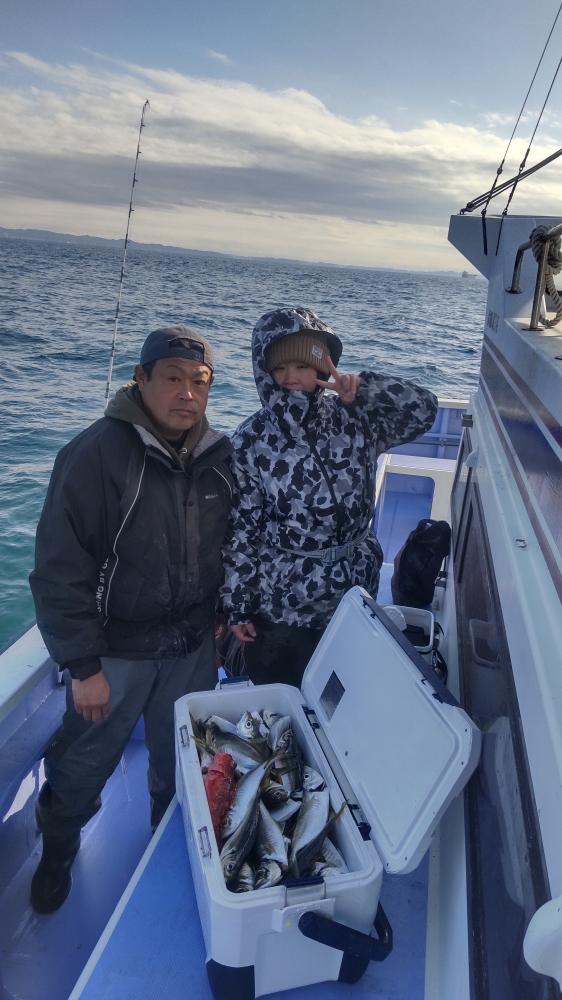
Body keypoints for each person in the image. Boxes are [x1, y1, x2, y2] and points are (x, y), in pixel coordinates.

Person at [28, 324, 233, 914]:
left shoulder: (221, 455)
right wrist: (82, 665)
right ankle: (58, 848)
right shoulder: (95, 454)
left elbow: (233, 547)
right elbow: (59, 569)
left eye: (200, 382)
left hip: (191, 645)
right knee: (83, 761)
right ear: (140, 379)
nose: (187, 394)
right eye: (172, 378)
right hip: (113, 650)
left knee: (184, 763)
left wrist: (225, 618)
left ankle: (167, 846)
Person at [220, 306, 438, 686]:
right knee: (284, 692)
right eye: (280, 367)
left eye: (302, 366)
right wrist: (237, 606)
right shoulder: (250, 439)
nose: (291, 377)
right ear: (265, 371)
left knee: (345, 687)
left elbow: (424, 410)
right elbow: (242, 529)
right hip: (285, 606)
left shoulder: (358, 418)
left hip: (355, 591)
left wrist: (365, 390)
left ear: (322, 367)